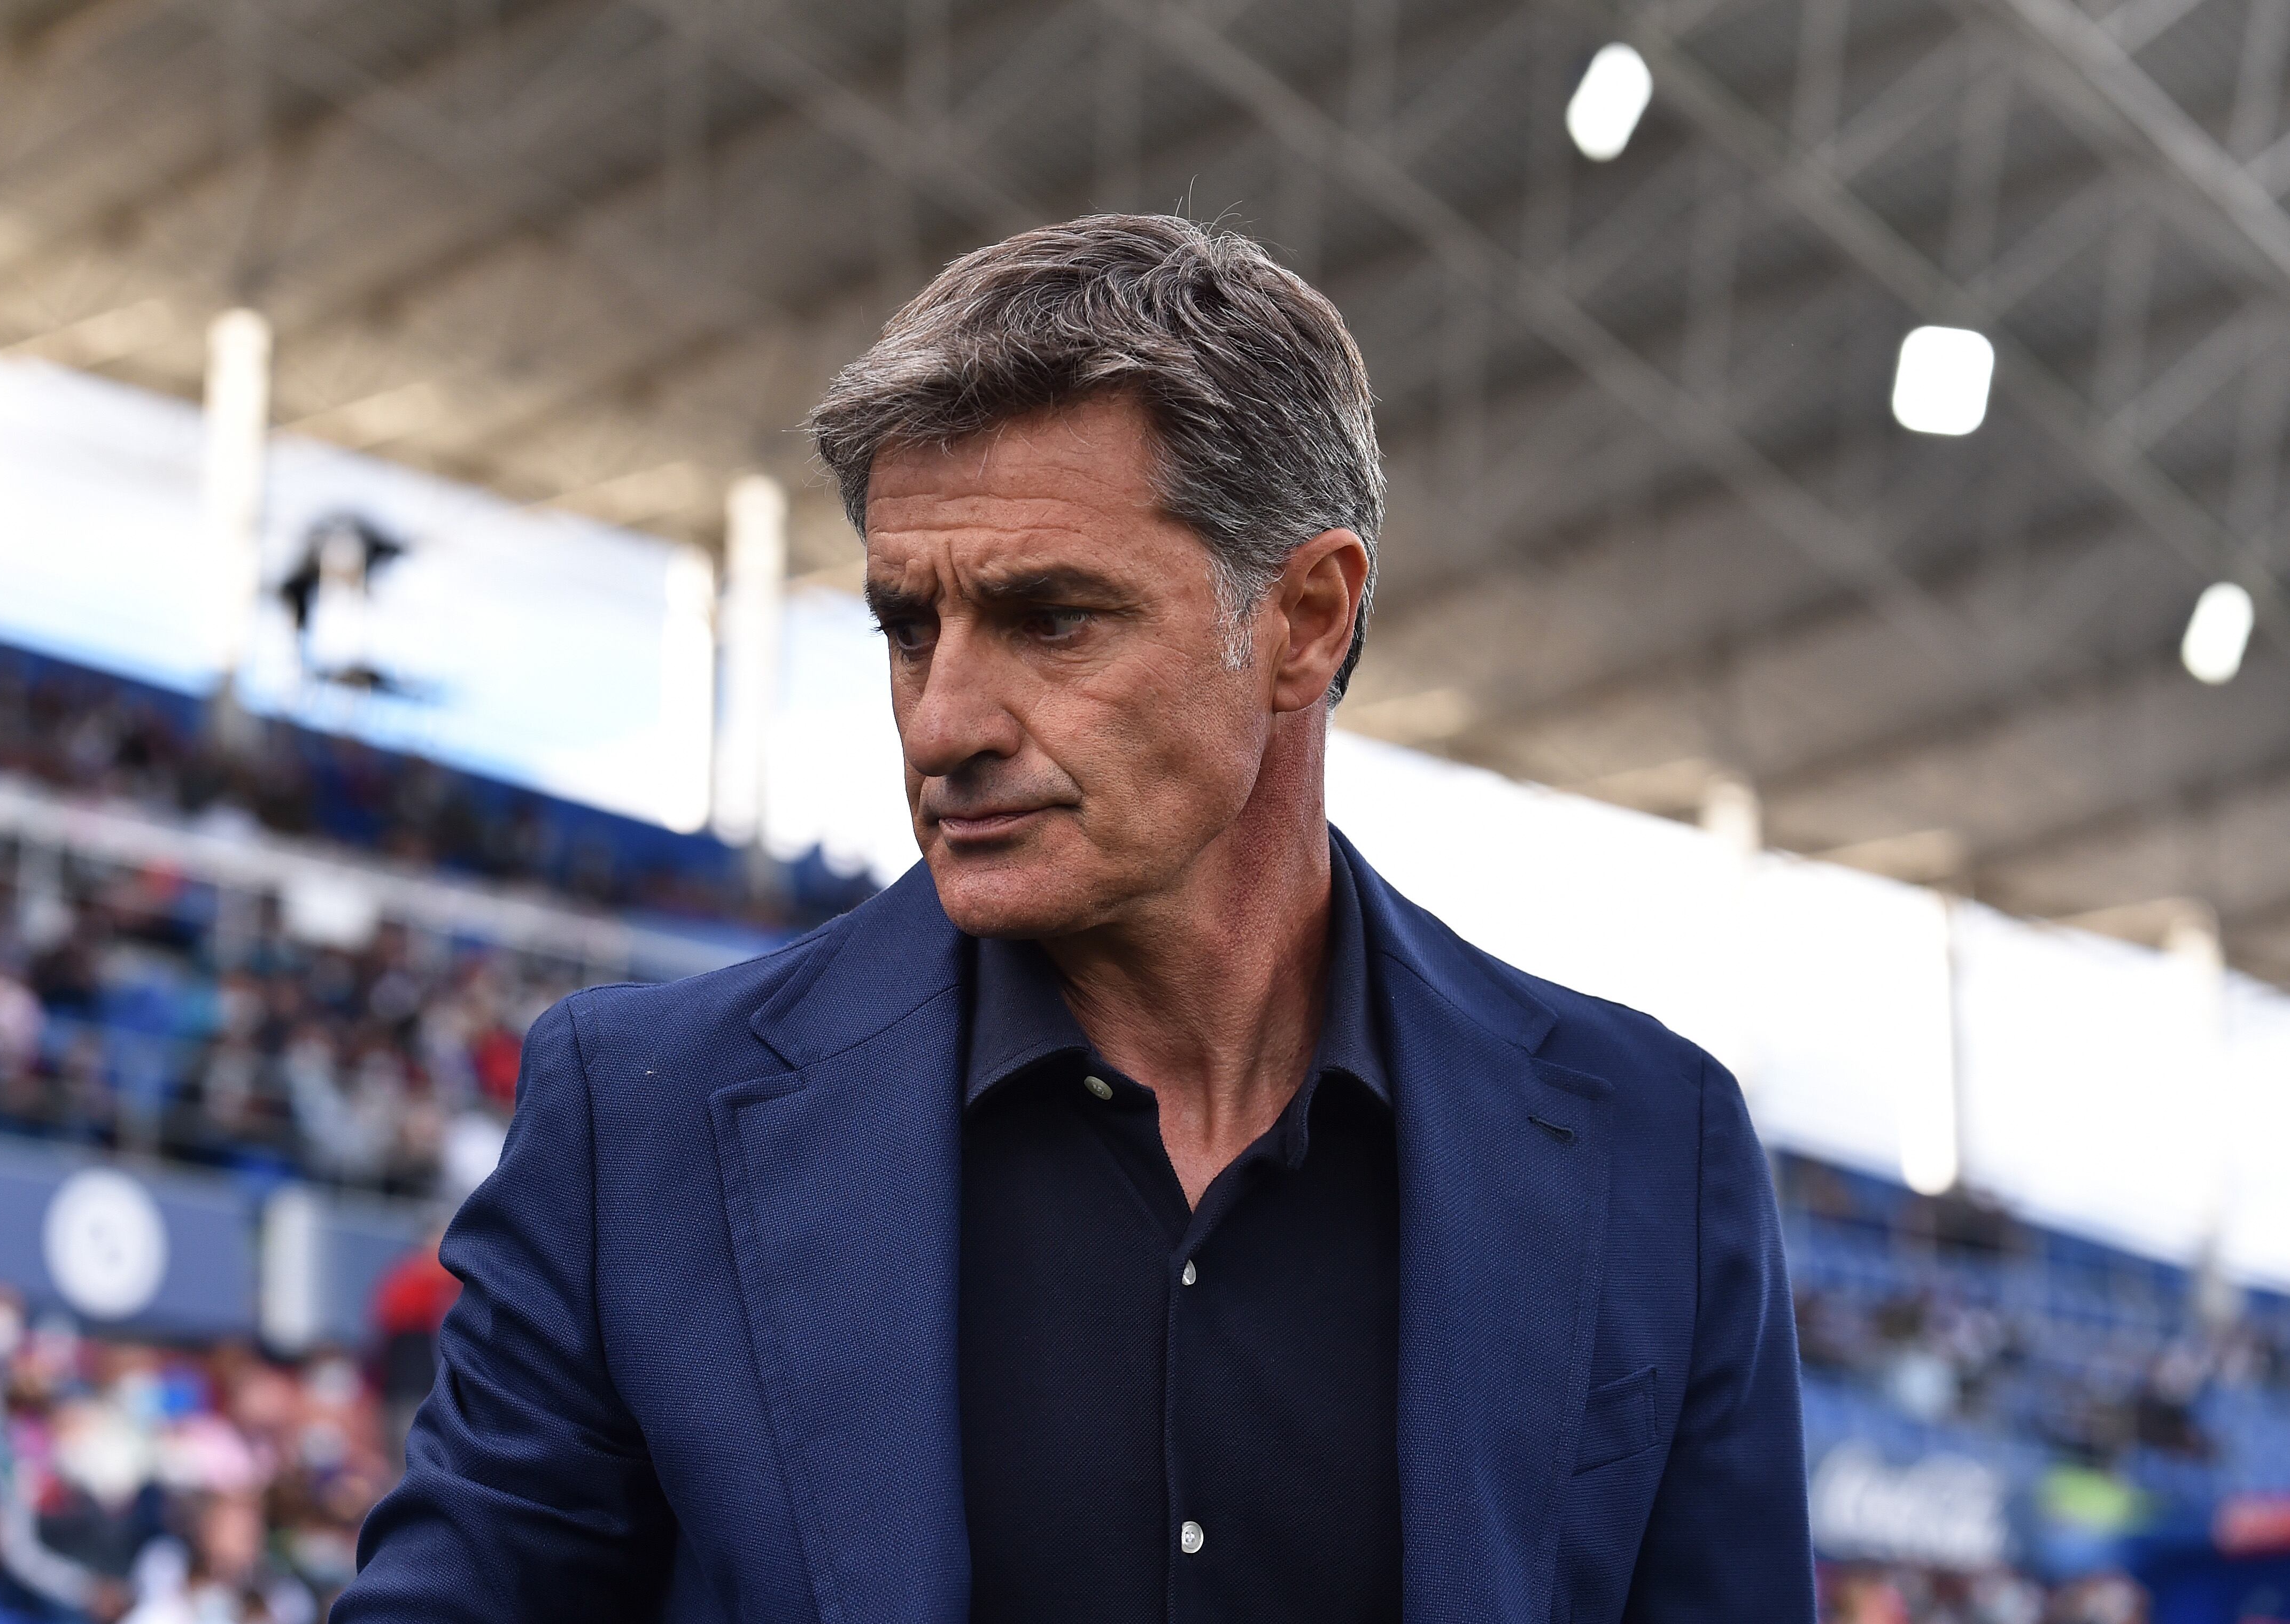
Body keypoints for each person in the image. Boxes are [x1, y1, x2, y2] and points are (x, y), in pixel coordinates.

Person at [336, 215, 1811, 1622]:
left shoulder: (1650, 1153)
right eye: (909, 626)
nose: (945, 720)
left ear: (1305, 621)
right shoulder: (638, 1127)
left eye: (1053, 619)